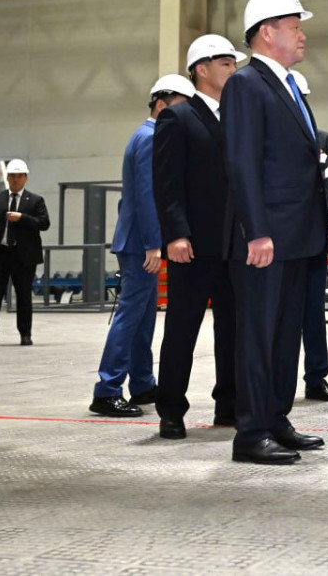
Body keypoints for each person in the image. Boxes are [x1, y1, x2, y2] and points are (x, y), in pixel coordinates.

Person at [222, 0, 328, 465]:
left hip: (297, 235)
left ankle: (276, 418)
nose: (302, 35)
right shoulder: (247, 84)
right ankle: (250, 432)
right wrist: (257, 230)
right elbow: (242, 161)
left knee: (286, 335)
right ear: (267, 33)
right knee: (259, 335)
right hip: (267, 237)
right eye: (294, 27)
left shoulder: (287, 85)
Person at [153, 36, 243, 439]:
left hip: (233, 245)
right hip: (192, 245)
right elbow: (166, 183)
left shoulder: (237, 116)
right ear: (201, 70)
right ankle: (171, 410)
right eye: (226, 63)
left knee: (233, 329)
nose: (233, 70)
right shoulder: (178, 118)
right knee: (182, 329)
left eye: (234, 63)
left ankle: (229, 405)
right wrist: (175, 234)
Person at [90, 74, 194, 419]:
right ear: (161, 105)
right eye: (179, 107)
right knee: (130, 315)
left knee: (143, 317)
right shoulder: (150, 138)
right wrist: (153, 244)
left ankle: (143, 382)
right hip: (141, 243)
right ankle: (107, 390)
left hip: (139, 240)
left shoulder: (145, 136)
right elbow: (149, 196)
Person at [290, 70, 328, 404]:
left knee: (313, 313)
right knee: (279, 314)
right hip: (280, 241)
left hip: (313, 240)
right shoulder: (270, 139)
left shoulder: (322, 142)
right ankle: (275, 380)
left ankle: (316, 378)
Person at [0, 158, 50, 347]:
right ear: (8, 178)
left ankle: (25, 334)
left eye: (19, 176)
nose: (16, 179)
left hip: (23, 256)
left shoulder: (36, 201)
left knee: (24, 295)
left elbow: (44, 223)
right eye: (13, 176)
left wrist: (22, 218)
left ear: (25, 178)